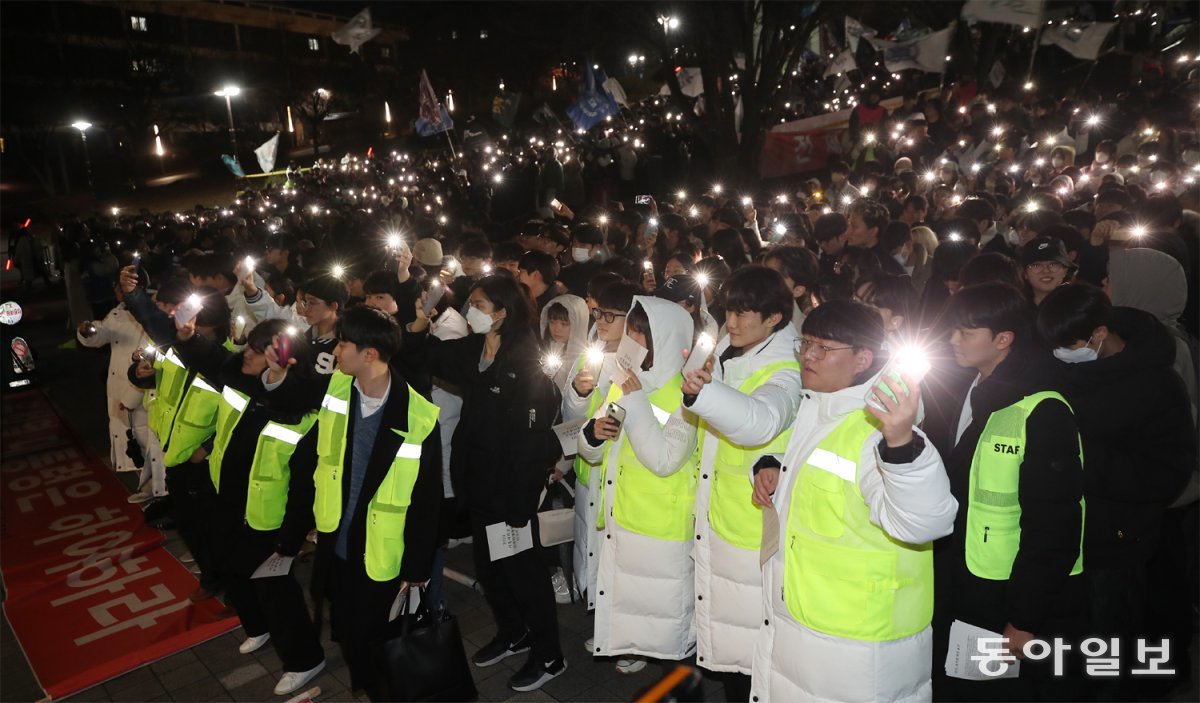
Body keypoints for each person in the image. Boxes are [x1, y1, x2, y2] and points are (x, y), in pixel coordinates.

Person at [749, 299, 956, 702]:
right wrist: (775, 468)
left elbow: (925, 521)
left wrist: (901, 441)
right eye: (806, 343)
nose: (808, 355)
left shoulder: (878, 431)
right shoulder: (820, 409)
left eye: (824, 348)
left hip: (859, 641)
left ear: (863, 358)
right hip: (806, 621)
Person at [408, 274, 567, 692]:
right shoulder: (476, 348)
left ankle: (549, 654)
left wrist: (518, 504)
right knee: (492, 568)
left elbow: (533, 442)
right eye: (471, 303)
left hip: (509, 489)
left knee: (523, 572)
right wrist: (420, 321)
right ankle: (513, 633)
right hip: (477, 480)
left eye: (478, 305)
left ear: (501, 312)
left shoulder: (525, 360)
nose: (469, 312)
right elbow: (423, 357)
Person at [1036, 284, 1196, 699]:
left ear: (1100, 334)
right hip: (1063, 535)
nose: (1059, 353)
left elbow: (1167, 472)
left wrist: (1083, 457)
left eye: (1068, 344)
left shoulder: (1158, 385)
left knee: (1109, 644)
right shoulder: (1064, 372)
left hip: (1117, 539)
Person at [933, 282, 1087, 702]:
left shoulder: (1042, 409)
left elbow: (1054, 524)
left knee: (996, 693)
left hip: (1006, 593)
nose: (953, 340)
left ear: (1003, 339)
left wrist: (1024, 617)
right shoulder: (975, 385)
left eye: (966, 332)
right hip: (969, 577)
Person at [284, 306, 444, 698]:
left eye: (343, 343)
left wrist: (417, 568)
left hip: (382, 556)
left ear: (369, 353)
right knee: (351, 636)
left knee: (382, 644)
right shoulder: (337, 390)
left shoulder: (419, 417)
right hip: (336, 542)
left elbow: (427, 501)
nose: (336, 351)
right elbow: (314, 463)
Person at [172, 314, 326, 696]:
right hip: (227, 498)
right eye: (251, 346)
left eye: (260, 351)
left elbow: (306, 489)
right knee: (232, 566)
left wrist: (290, 541)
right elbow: (211, 358)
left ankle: (304, 658)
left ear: (286, 362)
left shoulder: (303, 411)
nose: (248, 354)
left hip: (267, 515)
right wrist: (188, 337)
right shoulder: (245, 378)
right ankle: (257, 627)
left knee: (275, 586)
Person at [678, 266, 802, 699]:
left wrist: (703, 393)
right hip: (723, 518)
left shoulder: (786, 371)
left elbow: (760, 422)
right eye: (729, 310)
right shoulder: (732, 352)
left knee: (753, 652)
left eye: (745, 312)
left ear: (774, 318)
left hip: (752, 531)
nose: (732, 322)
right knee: (732, 647)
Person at [577, 296, 699, 674]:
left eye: (639, 333)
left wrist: (636, 402)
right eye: (630, 330)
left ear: (663, 339)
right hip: (622, 510)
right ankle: (629, 646)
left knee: (666, 615)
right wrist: (594, 435)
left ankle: (669, 671)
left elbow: (665, 460)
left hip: (663, 520)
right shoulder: (625, 380)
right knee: (630, 596)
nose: (631, 340)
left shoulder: (688, 393)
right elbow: (593, 449)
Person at [562, 281, 641, 614]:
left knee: (617, 554)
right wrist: (579, 393)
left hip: (621, 475)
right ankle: (598, 609)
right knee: (591, 547)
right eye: (599, 313)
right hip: (588, 464)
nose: (602, 321)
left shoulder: (641, 362)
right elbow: (569, 418)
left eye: (612, 315)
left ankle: (619, 627)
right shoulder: (588, 355)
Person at [1021, 236, 1075, 305]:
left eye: (1053, 264)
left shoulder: (1082, 308)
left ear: (1065, 270)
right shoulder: (1014, 310)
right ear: (1025, 273)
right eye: (1036, 265)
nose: (1046, 271)